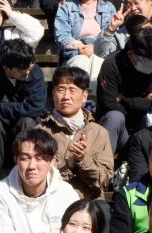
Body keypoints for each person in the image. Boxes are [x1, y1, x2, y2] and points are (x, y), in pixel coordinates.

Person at [0, 128, 80, 233]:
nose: (31, 166)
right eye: (24, 158)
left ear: (53, 161)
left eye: (40, 158)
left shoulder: (66, 194)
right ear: (16, 159)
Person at [0, 40, 47, 182]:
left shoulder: (34, 73)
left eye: (29, 65)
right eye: (22, 68)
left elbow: (35, 107)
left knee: (28, 122)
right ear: (6, 68)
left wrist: (3, 106)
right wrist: (19, 108)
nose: (27, 71)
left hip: (20, 126)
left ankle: (25, 176)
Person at [37, 66, 114, 201]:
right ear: (53, 93)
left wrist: (83, 160)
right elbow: (34, 176)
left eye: (72, 90)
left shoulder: (99, 132)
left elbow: (104, 179)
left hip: (90, 201)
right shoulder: (40, 131)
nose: (66, 96)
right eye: (61, 89)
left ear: (84, 95)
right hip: (51, 201)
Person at [97, 24, 152, 153]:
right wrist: (147, 100)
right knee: (114, 117)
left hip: (149, 126)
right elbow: (109, 104)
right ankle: (103, 167)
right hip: (120, 127)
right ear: (131, 53)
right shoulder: (112, 65)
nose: (151, 66)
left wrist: (125, 100)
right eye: (147, 62)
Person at [54, 0, 118, 85]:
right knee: (81, 61)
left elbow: (112, 38)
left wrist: (95, 48)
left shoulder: (109, 8)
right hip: (75, 53)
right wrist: (79, 47)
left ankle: (91, 97)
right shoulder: (66, 7)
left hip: (101, 54)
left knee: (98, 62)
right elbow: (61, 36)